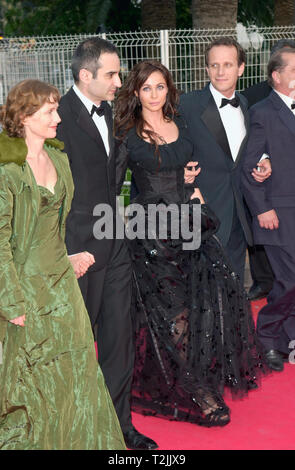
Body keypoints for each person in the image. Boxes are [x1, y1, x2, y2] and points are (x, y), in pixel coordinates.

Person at [115, 60, 268, 428]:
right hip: (151, 233)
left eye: (160, 87)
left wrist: (190, 184)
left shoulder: (180, 123)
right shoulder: (126, 132)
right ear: (135, 92)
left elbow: (181, 168)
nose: (154, 95)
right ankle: (197, 388)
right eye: (146, 88)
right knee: (174, 312)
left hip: (189, 223)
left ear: (169, 89)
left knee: (211, 301)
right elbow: (114, 184)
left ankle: (198, 374)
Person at [0, 79, 125, 450]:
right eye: (49, 111)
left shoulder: (59, 159)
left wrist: (68, 258)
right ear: (25, 117)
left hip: (62, 288)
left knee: (77, 373)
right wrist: (10, 302)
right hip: (24, 293)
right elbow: (3, 244)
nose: (58, 117)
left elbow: (54, 230)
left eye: (57, 108)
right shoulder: (7, 171)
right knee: (31, 380)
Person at [56, 37, 157, 450]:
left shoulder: (112, 113)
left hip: (115, 241)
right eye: (112, 74)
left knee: (119, 339)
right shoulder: (56, 117)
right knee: (76, 344)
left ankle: (119, 427)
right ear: (86, 75)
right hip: (76, 248)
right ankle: (78, 429)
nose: (120, 82)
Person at [179, 37, 271, 284]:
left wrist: (265, 159)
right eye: (215, 65)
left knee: (234, 289)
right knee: (201, 292)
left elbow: (249, 149)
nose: (221, 72)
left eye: (228, 65)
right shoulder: (187, 105)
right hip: (202, 214)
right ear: (207, 68)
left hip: (239, 216)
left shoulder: (245, 104)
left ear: (241, 68)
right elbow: (172, 149)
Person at [242, 47, 295, 372]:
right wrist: (262, 209)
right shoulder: (263, 111)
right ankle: (267, 336)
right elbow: (251, 164)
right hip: (278, 214)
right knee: (290, 280)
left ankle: (287, 338)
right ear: (277, 76)